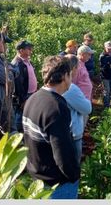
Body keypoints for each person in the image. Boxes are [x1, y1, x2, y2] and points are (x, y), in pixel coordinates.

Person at [22, 55, 80, 199]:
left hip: (38, 177)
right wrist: (74, 175)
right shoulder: (57, 107)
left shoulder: (33, 99)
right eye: (70, 75)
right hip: (56, 183)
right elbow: (62, 152)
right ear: (65, 76)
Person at [63, 55, 92, 164]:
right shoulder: (70, 88)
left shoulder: (62, 84)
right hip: (72, 133)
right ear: (74, 68)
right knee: (74, 163)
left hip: (67, 131)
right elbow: (87, 108)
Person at [11, 40, 38, 133]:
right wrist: (22, 100)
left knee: (28, 117)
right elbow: (18, 83)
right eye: (28, 49)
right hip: (24, 97)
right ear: (21, 51)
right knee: (19, 119)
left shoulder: (27, 61)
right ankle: (18, 139)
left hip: (30, 94)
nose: (31, 50)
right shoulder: (17, 63)